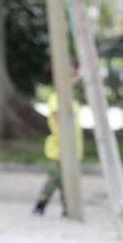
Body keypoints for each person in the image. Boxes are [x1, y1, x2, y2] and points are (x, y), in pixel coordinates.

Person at [33, 75, 84, 216]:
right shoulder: (57, 98)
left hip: (73, 147)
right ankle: (40, 205)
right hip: (59, 147)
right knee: (55, 178)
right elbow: (58, 115)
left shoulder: (70, 100)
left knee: (67, 180)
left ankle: (68, 208)